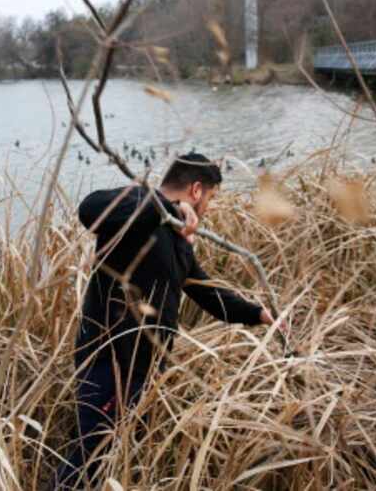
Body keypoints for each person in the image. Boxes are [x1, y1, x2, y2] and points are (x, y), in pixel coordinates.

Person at [56, 153, 283, 489]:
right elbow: (89, 209)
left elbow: (207, 293)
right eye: (211, 197)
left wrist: (258, 314)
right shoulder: (137, 206)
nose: (209, 207)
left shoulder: (178, 242)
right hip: (110, 364)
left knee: (118, 460)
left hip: (146, 370)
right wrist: (165, 208)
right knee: (87, 464)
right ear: (195, 190)